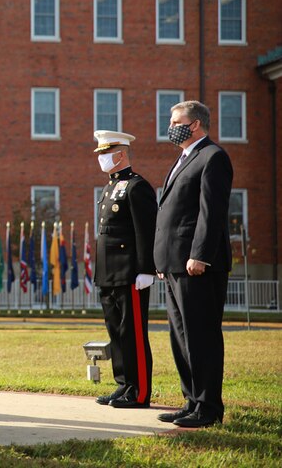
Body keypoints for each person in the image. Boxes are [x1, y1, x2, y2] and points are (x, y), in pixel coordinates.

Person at [154, 100, 233, 428]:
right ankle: (192, 401)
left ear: (196, 124)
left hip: (196, 265)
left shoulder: (213, 157)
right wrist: (162, 259)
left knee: (201, 335)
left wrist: (199, 254)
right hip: (174, 264)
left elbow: (210, 211)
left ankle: (208, 408)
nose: (170, 126)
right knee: (181, 335)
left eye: (176, 121)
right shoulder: (184, 158)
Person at [92, 130, 157, 409]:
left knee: (132, 332)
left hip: (130, 273)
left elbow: (146, 231)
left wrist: (147, 269)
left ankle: (139, 391)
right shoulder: (109, 188)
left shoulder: (136, 186)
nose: (102, 159)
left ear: (120, 154)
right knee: (116, 332)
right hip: (108, 272)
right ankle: (124, 384)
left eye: (106, 153)